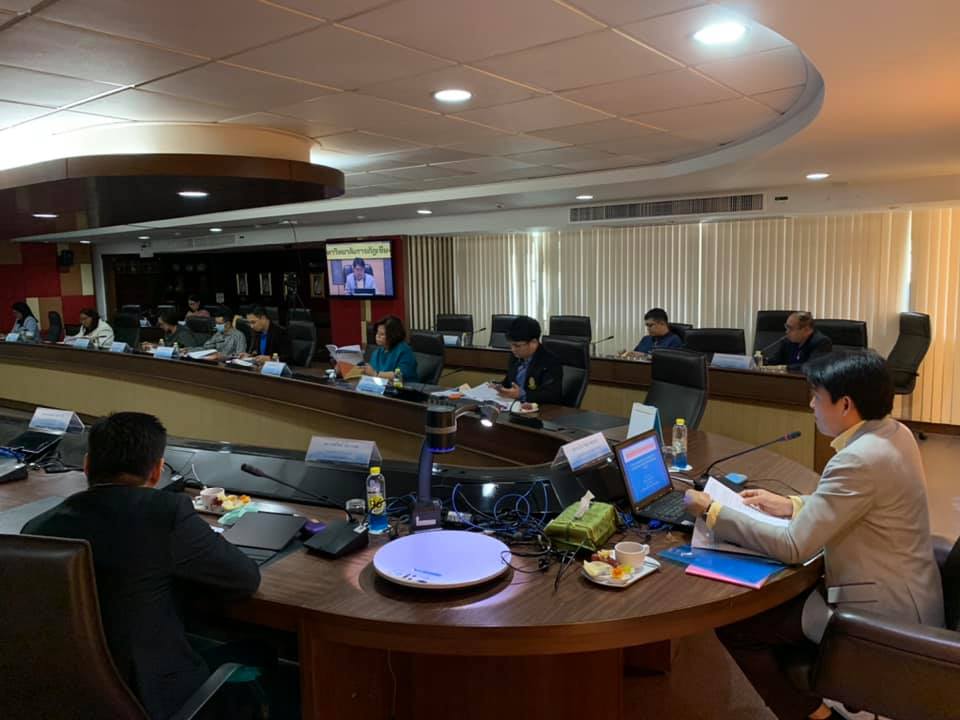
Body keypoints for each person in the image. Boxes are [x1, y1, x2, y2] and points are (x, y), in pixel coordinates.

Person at [684, 351, 944, 720]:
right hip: (910, 591)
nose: (810, 405)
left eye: (816, 397)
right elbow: (858, 502)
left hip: (878, 612)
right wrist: (791, 504)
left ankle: (818, 715)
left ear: (846, 404)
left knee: (739, 626)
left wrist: (712, 511)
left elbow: (794, 546)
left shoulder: (858, 459)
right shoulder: (895, 433)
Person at [22, 412, 261, 720]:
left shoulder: (38, 529)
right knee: (256, 657)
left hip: (63, 697)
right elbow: (244, 579)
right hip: (150, 699)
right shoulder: (166, 513)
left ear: (87, 464)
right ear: (157, 470)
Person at [497, 316, 563, 405]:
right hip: (513, 406)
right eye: (511, 345)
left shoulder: (550, 362)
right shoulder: (515, 356)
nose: (512, 349)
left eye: (517, 345)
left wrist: (522, 394)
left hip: (540, 410)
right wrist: (499, 386)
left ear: (533, 342)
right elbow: (509, 381)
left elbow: (551, 395)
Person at [763, 311, 833, 369]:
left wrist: (785, 367)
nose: (787, 332)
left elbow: (812, 366)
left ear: (806, 330)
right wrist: (761, 361)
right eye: (786, 327)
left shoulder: (822, 342)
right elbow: (775, 361)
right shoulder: (787, 341)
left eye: (790, 328)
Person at [365, 314, 418, 382]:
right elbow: (371, 372)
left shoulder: (404, 351)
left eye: (382, 334)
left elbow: (399, 376)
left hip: (403, 387)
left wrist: (375, 374)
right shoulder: (376, 352)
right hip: (379, 387)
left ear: (393, 335)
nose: (377, 336)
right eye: (377, 333)